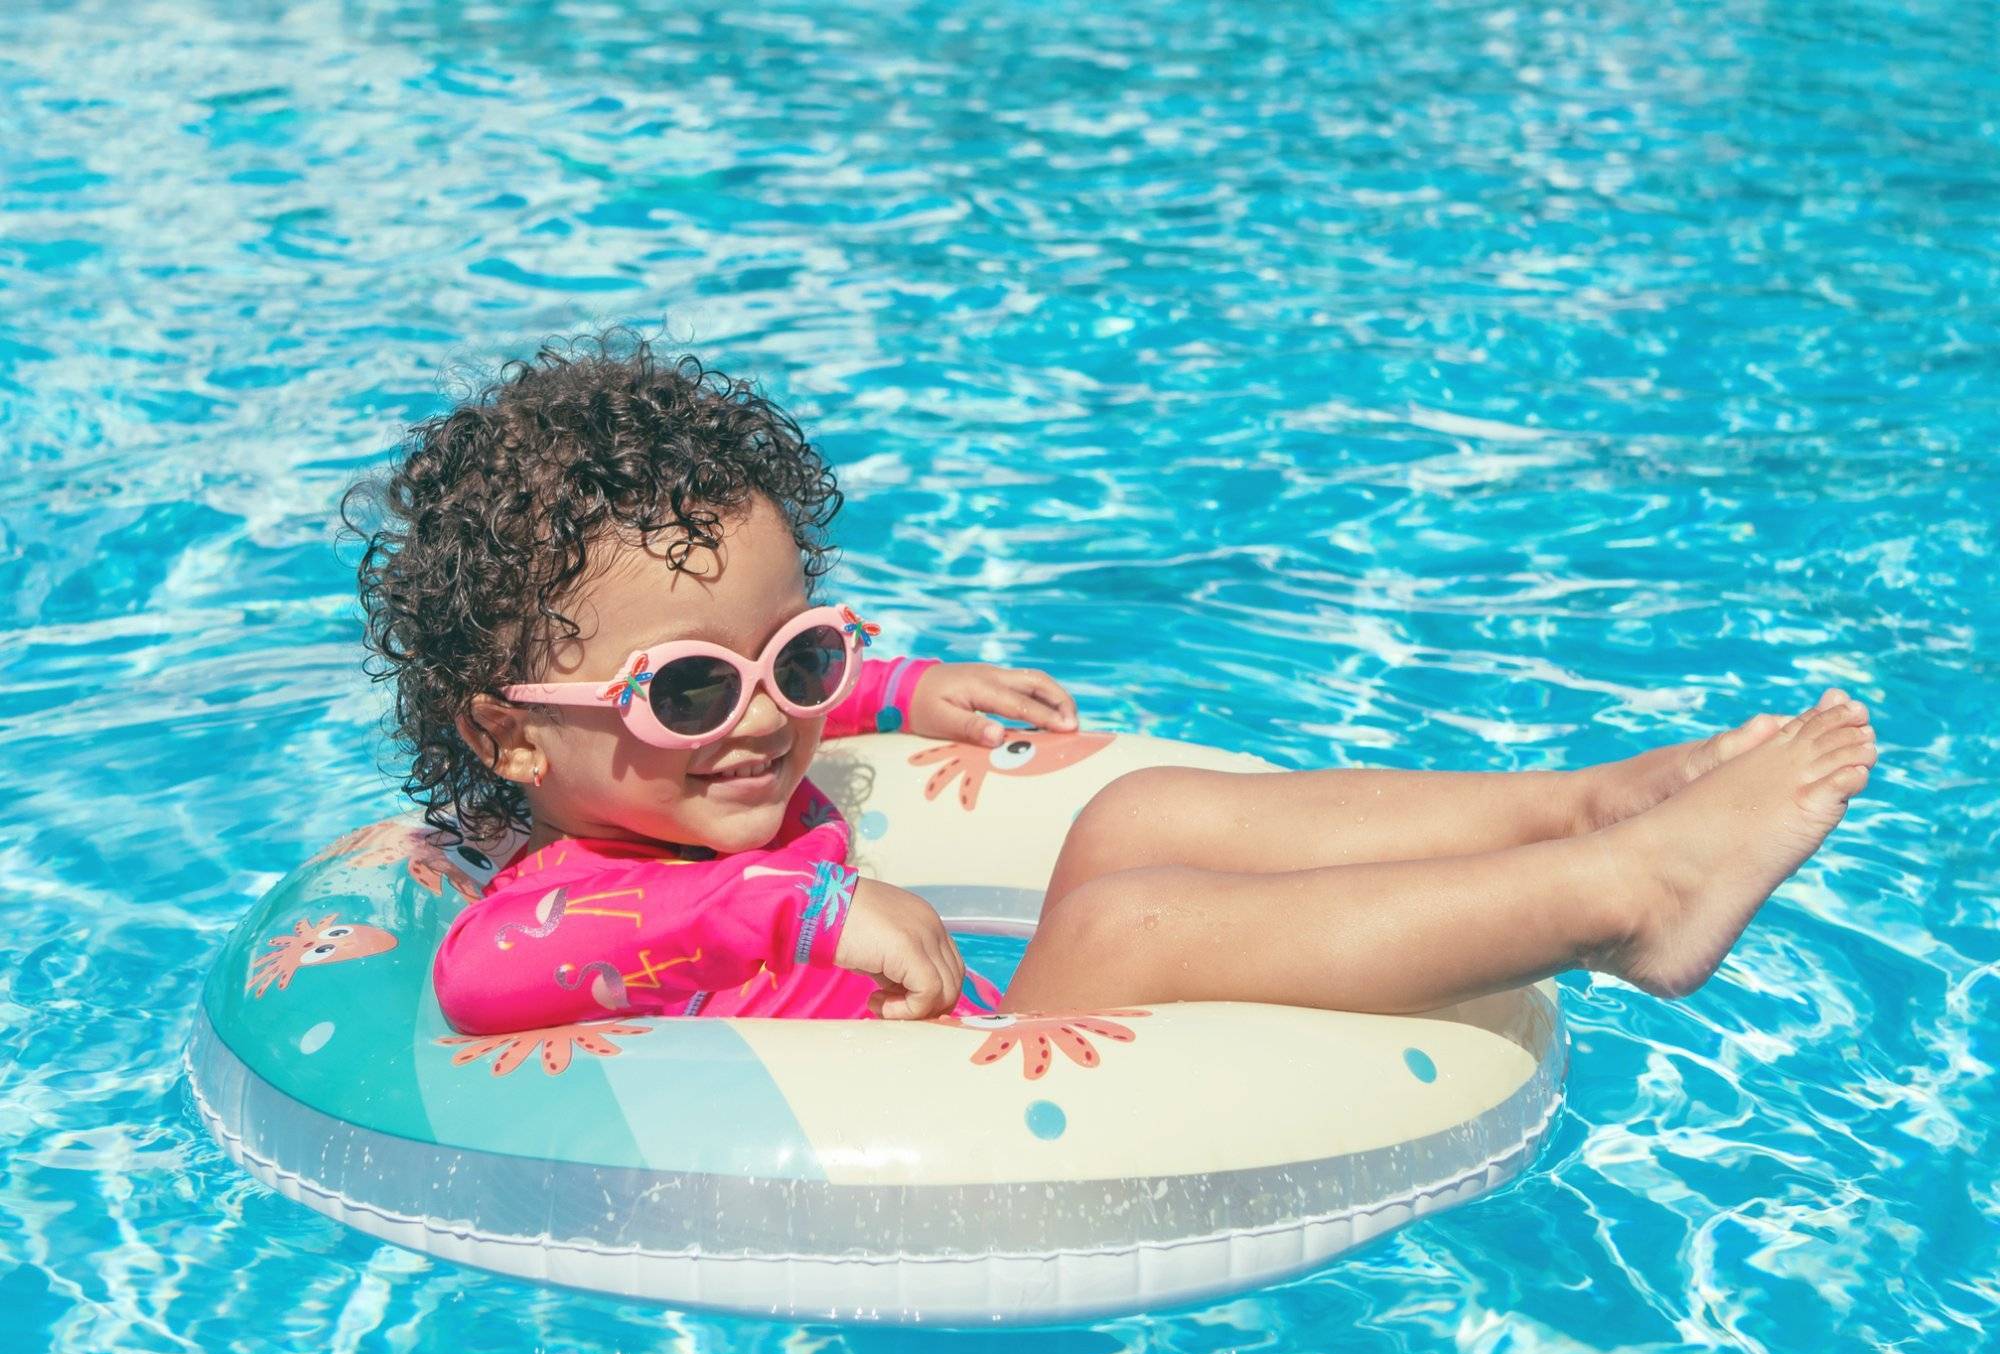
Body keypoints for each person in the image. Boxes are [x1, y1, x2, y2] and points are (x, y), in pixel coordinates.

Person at [343, 332, 1877, 1034]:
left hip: (962, 1015)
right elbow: (485, 970)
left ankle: (1576, 797)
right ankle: (1625, 896)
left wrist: (897, 687)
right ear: (505, 733)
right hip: (942, 1106)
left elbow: (757, 691)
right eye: (688, 694)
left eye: (798, 655)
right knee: (1118, 926)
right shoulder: (555, 888)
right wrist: (800, 907)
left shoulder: (707, 746)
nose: (761, 716)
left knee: (1132, 810)